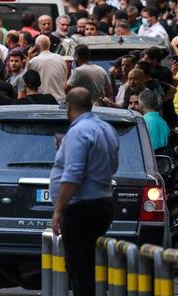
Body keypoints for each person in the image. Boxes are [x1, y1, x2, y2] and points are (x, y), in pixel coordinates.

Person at [50, 87, 118, 296]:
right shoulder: (106, 128)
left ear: (68, 107)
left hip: (82, 208)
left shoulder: (79, 132)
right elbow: (112, 166)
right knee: (85, 265)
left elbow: (73, 175)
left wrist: (58, 210)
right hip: (102, 203)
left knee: (80, 270)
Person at [27, 35, 67, 102]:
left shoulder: (33, 61)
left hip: (43, 101)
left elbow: (26, 79)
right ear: (49, 44)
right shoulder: (61, 59)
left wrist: (29, 57)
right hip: (61, 100)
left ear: (36, 46)